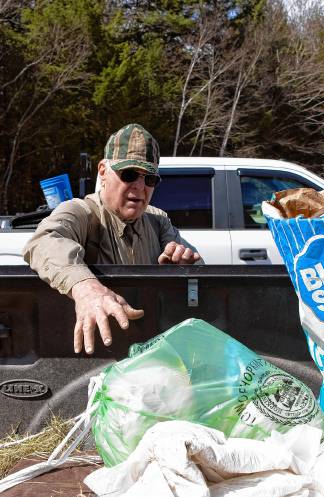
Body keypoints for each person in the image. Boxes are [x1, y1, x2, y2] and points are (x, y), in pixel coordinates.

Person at [23, 123, 202, 354]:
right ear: (103, 171)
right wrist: (85, 287)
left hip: (150, 353)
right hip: (95, 357)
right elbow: (43, 242)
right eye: (129, 174)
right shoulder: (81, 213)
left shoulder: (158, 221)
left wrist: (185, 270)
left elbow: (198, 271)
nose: (139, 186)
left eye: (150, 179)